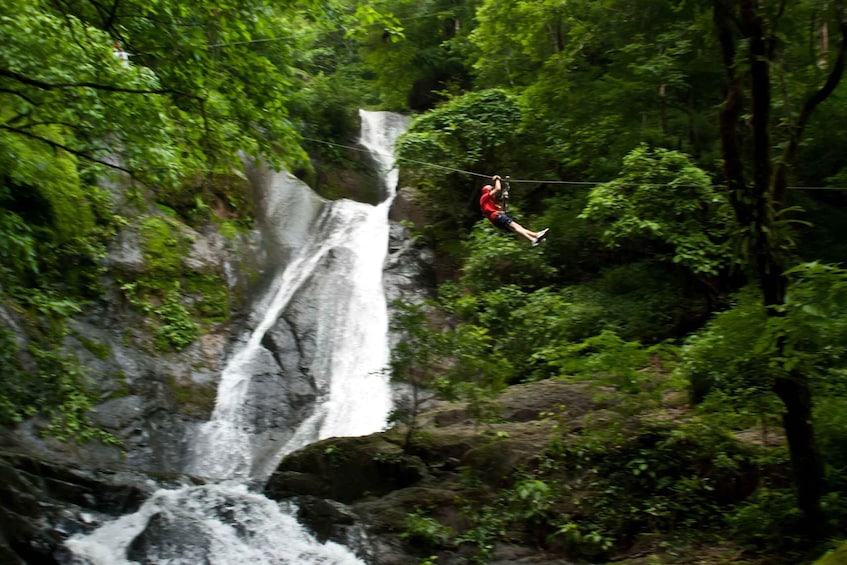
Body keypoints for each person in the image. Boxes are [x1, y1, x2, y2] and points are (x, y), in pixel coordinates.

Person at [479, 175, 549, 246]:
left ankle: (534, 237)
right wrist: (497, 179)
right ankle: (534, 238)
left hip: (497, 218)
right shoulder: (484, 197)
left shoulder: (492, 203)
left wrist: (504, 199)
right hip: (496, 216)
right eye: (491, 189)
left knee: (517, 228)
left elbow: (503, 211)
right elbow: (498, 189)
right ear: (488, 191)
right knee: (517, 227)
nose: (494, 192)